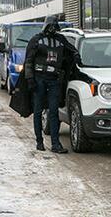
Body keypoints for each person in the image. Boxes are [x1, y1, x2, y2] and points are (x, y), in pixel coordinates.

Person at [23, 15, 79, 153]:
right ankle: (39, 141)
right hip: (39, 79)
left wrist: (76, 56)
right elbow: (29, 61)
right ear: (46, 26)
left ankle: (55, 144)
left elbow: (72, 52)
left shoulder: (61, 40)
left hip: (54, 79)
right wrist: (30, 79)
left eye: (55, 26)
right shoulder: (36, 40)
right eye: (50, 26)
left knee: (53, 111)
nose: (52, 29)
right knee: (38, 111)